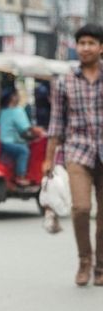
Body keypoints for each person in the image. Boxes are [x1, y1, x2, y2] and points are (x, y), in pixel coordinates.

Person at [44, 23, 103, 286]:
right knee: (81, 208)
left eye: (91, 43)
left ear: (101, 47)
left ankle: (101, 267)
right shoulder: (65, 82)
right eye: (81, 43)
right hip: (77, 151)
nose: (85, 48)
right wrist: (48, 157)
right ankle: (84, 260)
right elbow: (56, 123)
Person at [0, 88, 39, 186]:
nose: (19, 96)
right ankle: (21, 177)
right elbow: (25, 130)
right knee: (24, 151)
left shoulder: (4, 110)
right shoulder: (17, 111)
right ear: (13, 97)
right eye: (17, 94)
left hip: (3, 142)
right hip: (9, 143)